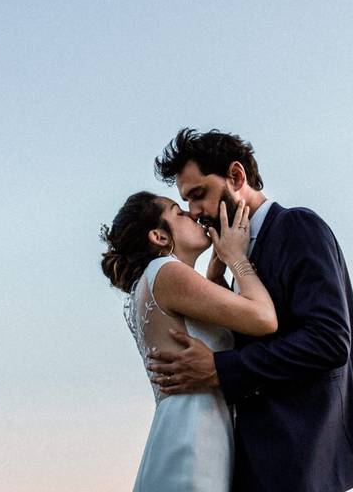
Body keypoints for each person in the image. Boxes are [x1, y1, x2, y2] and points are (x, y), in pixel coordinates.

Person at [147, 128, 353, 492]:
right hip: (255, 460)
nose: (195, 212)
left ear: (236, 176)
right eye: (186, 201)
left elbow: (328, 340)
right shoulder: (239, 255)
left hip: (300, 454)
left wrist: (219, 368)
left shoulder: (297, 227)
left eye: (199, 195)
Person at [100, 190, 278, 491]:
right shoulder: (166, 271)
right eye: (177, 212)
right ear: (159, 236)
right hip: (195, 436)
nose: (192, 214)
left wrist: (215, 275)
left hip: (184, 428)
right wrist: (236, 257)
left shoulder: (154, 279)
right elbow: (263, 318)